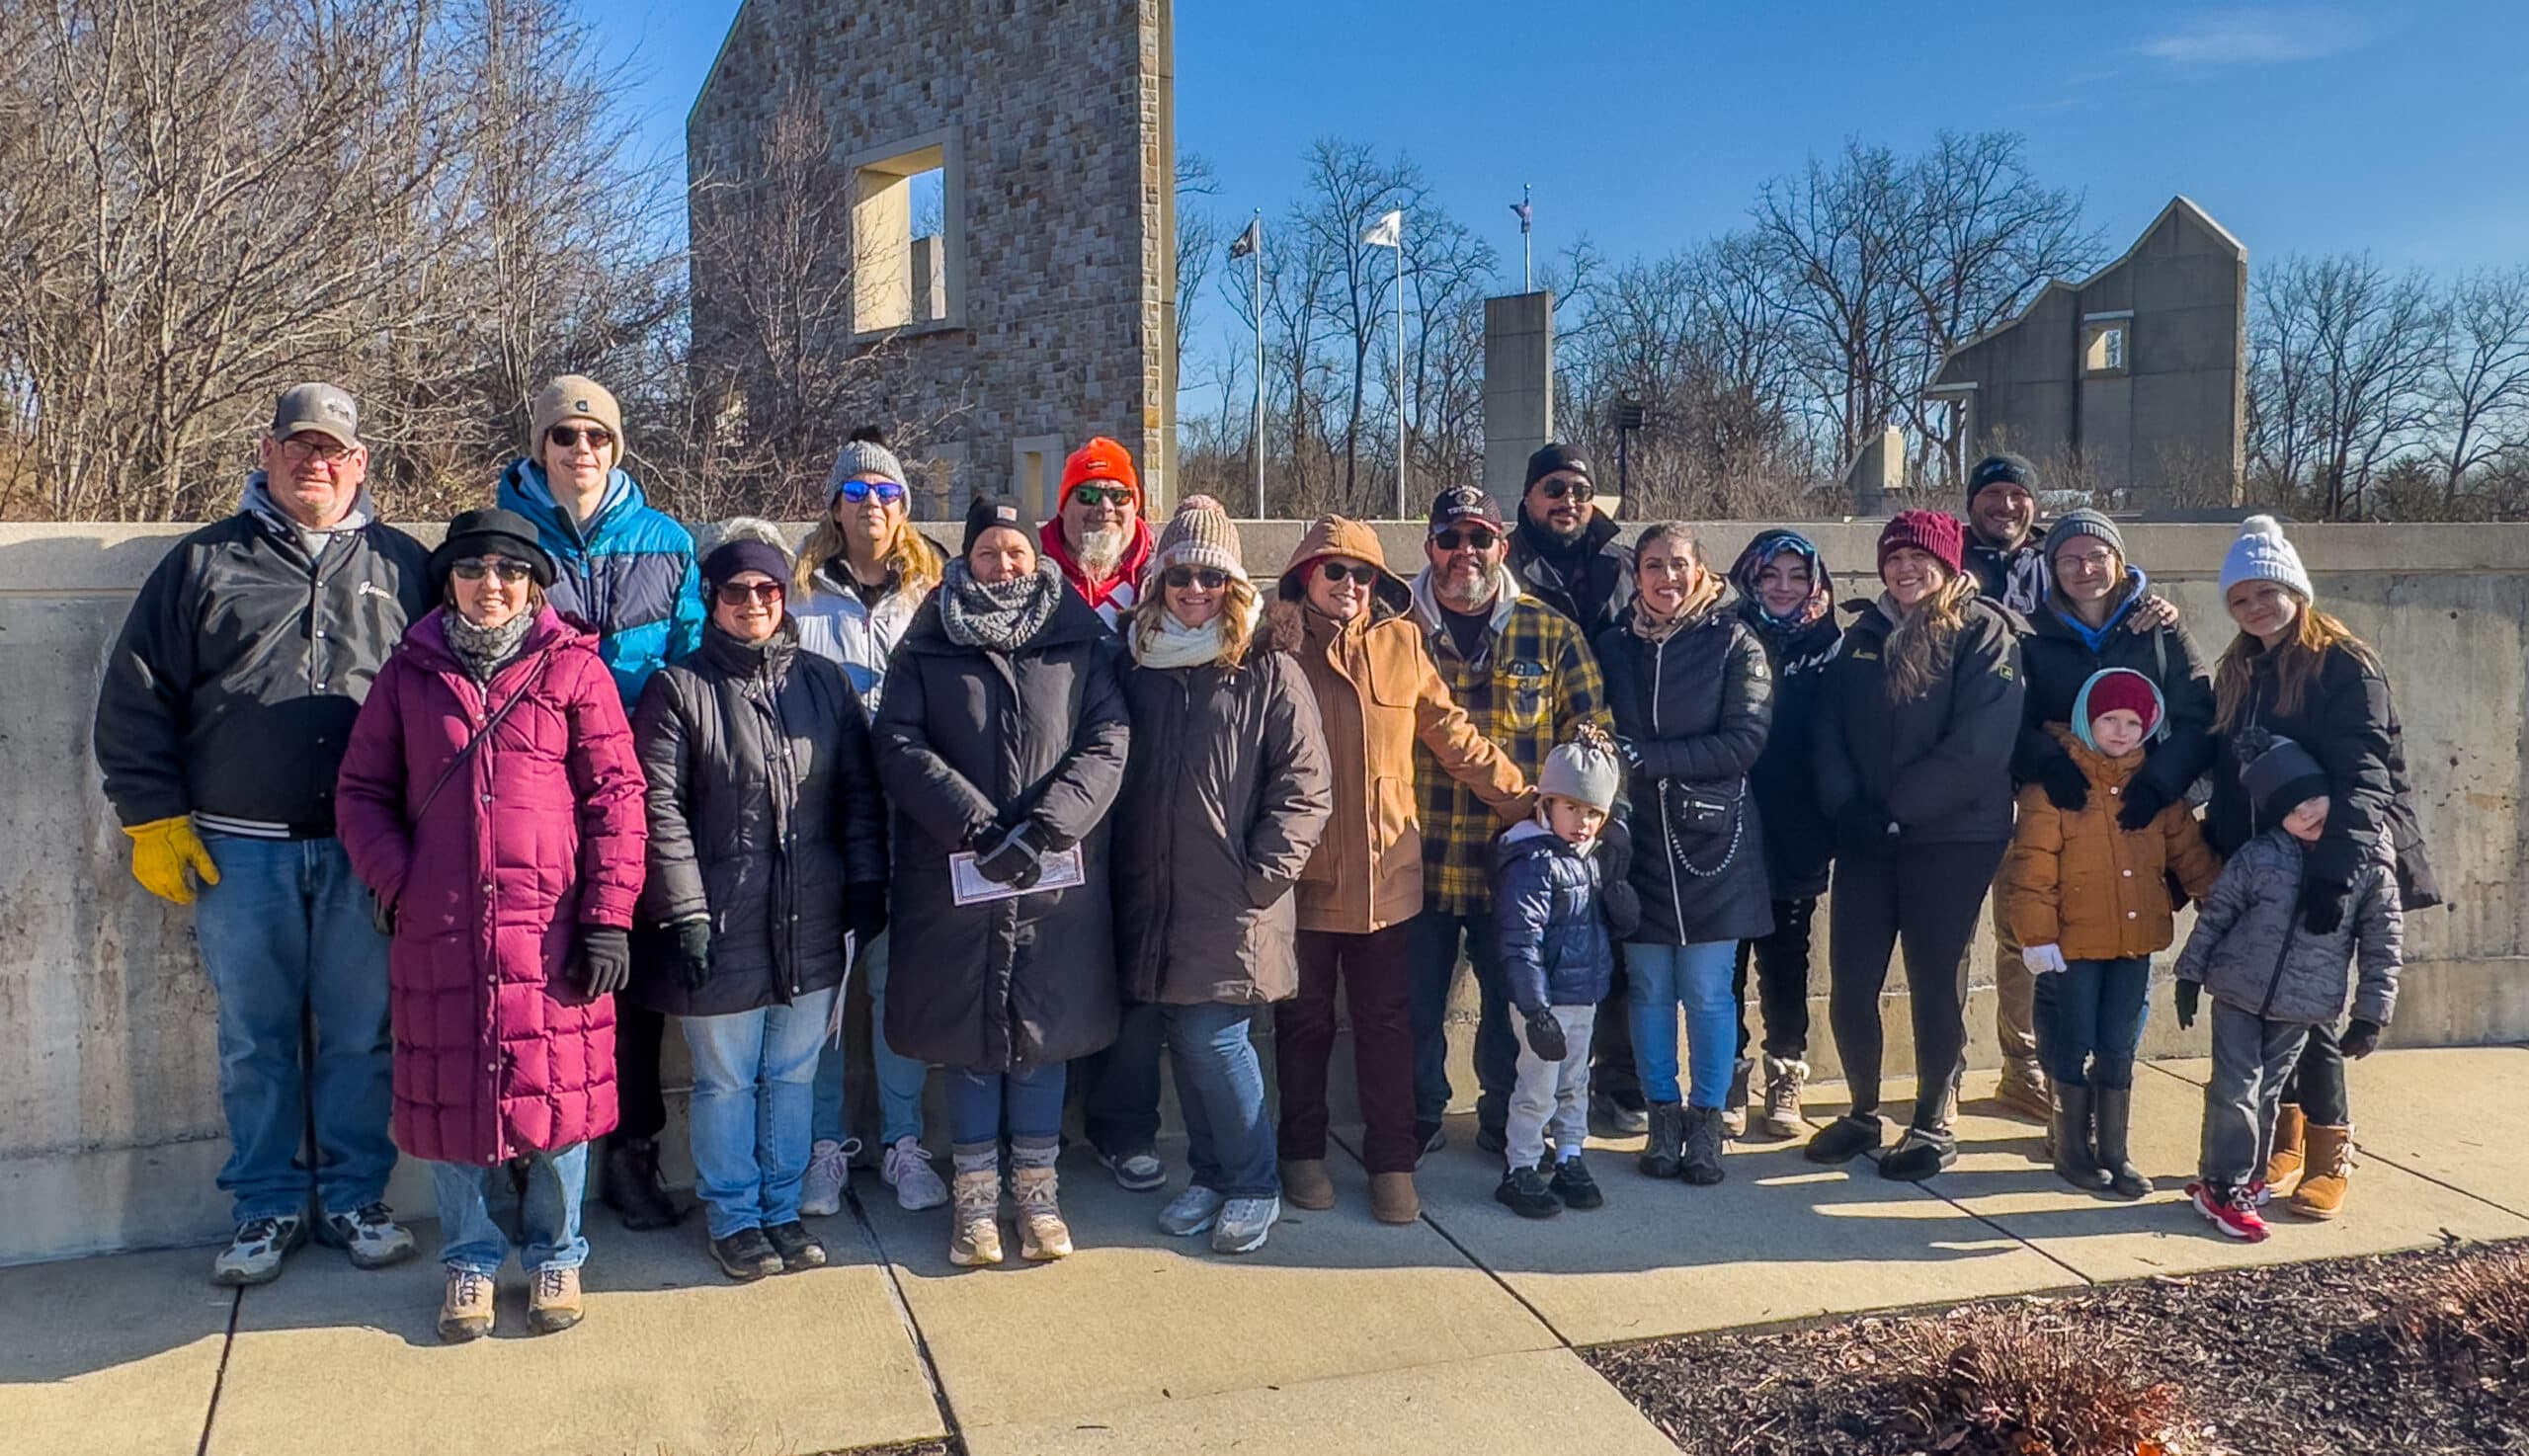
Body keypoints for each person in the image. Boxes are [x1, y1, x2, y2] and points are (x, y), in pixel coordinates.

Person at [94, 382, 430, 1286]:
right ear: (267, 451)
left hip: (367, 849)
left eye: (333, 450)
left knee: (362, 1033)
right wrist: (152, 816)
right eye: (299, 446)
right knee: (256, 1038)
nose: (315, 463)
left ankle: (358, 1195)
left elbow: (448, 701)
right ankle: (265, 1208)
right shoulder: (204, 563)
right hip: (239, 852)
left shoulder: (404, 566)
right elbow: (135, 699)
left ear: (361, 463)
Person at [335, 509, 647, 1340]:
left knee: (558, 1099)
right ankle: (469, 1263)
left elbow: (617, 798)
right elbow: (360, 793)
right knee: (450, 1096)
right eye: (474, 571)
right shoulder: (409, 676)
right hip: (443, 927)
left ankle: (557, 1252)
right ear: (450, 582)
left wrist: (610, 916)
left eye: (509, 572)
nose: (491, 587)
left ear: (534, 584)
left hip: (550, 928)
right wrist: (401, 881)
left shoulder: (575, 671)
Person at [874, 496, 1129, 1265]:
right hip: (960, 873)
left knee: (1042, 1039)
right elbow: (898, 741)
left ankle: (1038, 1192)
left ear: (1039, 558)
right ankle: (975, 1200)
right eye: (989, 551)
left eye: (1017, 551)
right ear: (966, 560)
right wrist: (978, 829)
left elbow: (1108, 739)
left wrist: (1048, 827)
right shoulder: (927, 644)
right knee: (972, 1041)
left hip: (1055, 877)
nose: (1005, 564)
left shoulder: (1080, 644)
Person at [632, 534, 888, 1281]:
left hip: (812, 918)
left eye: (768, 591)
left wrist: (866, 885)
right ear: (712, 599)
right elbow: (661, 811)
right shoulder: (678, 689)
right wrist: (683, 913)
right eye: (737, 591)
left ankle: (782, 1208)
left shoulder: (824, 684)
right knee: (725, 1080)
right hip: (720, 922)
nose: (754, 604)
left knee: (793, 1075)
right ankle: (735, 1217)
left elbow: (857, 799)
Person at [1266, 517, 1531, 1225]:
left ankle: (1390, 1162)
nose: (1349, 586)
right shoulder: (1274, 646)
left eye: (1363, 575)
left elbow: (1457, 739)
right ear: (1304, 575)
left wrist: (1526, 804)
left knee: (1390, 1026)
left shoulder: (1402, 643)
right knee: (1304, 1025)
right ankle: (1301, 1153)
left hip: (1389, 880)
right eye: (1334, 571)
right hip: (1305, 878)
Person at [496, 374, 704, 1233]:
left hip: (637, 791)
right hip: (535, 793)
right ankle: (523, 1156)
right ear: (538, 447)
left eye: (596, 438)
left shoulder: (665, 540)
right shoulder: (505, 539)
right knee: (530, 981)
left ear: (618, 449)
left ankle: (633, 1153)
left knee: (636, 986)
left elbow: (692, 662)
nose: (579, 452)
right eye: (563, 437)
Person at [1112, 498, 1333, 1255]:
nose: (1194, 588)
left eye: (1211, 575)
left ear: (1234, 584)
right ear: (1160, 580)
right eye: (1180, 574)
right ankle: (1209, 1173)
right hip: (1157, 893)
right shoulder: (1138, 661)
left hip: (1234, 896)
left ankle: (1251, 1183)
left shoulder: (1265, 666)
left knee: (1215, 1040)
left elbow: (1306, 786)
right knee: (1184, 1036)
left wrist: (1261, 880)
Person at [2202, 515, 2438, 1221]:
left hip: (2338, 857)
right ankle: (2284, 1139)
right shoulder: (2240, 668)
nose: (2254, 608)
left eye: (2265, 591)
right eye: (2239, 599)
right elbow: (2227, 768)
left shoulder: (2344, 663)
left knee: (2315, 1020)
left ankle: (2331, 1156)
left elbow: (2368, 778)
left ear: (2294, 589)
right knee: (2275, 1004)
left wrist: (2336, 876)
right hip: (2269, 862)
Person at [1806, 510, 2026, 1181]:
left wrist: (1898, 810)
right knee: (1852, 981)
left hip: (1953, 837)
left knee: (1935, 981)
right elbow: (1828, 729)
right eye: (1896, 557)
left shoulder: (1985, 631)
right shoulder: (1862, 635)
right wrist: (1848, 807)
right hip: (1867, 836)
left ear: (1949, 565)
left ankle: (1932, 1120)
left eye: (1921, 558)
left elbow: (1980, 746)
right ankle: (1863, 1110)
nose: (1907, 569)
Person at [1960, 461, 2179, 1124]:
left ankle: (2041, 1069)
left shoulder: (2070, 571)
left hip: (2085, 799)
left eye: (2017, 494)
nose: (2005, 505)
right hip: (1997, 781)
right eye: (1991, 494)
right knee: (2005, 930)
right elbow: (1998, 705)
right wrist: (2040, 758)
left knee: (2057, 931)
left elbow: (2187, 706)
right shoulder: (1951, 561)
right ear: (1971, 504)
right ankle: (2012, 1065)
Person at [1404, 485, 1607, 1160]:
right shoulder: (1393, 626)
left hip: (1517, 865)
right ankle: (1420, 1112)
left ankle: (1503, 1116)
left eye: (1479, 538)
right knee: (1412, 1004)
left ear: (1503, 545)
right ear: (1429, 545)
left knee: (1512, 1007)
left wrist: (1576, 829)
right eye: (1449, 538)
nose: (1465, 552)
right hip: (1414, 854)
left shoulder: (1552, 632)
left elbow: (1593, 738)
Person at [788, 429, 951, 1217]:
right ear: (835, 507)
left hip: (909, 823)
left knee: (897, 993)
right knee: (827, 996)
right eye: (857, 493)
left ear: (906, 510)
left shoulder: (934, 597)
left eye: (887, 494)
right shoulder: (797, 596)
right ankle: (823, 1148)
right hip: (822, 823)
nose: (873, 506)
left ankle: (902, 1143)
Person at [1594, 524, 1775, 1186]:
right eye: (1651, 566)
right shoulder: (1613, 646)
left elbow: (1745, 739)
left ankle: (1707, 1122)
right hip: (1636, 844)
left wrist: (1652, 759)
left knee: (1706, 992)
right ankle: (1661, 1116)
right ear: (1636, 575)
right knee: (1647, 989)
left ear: (1701, 572)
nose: (1665, 578)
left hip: (1712, 844)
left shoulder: (1734, 642)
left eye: (1677, 565)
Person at [1998, 668, 2221, 1199]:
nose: (2121, 732)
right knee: (2072, 1040)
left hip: (2134, 942)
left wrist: (2222, 907)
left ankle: (2115, 1150)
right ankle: (2072, 1147)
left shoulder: (2155, 790)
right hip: (2071, 945)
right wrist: (2035, 936)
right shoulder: (2053, 788)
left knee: (2119, 1043)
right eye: (2109, 720)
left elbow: (2189, 854)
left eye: (2132, 723)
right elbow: (2031, 868)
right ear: (2086, 720)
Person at [2176, 737, 2402, 1244]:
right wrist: (2190, 974)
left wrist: (2371, 1014)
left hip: (2303, 1005)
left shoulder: (2366, 862)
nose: (2306, 814)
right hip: (2236, 990)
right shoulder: (2260, 856)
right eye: (2291, 809)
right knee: (2235, 1088)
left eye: (2311, 800)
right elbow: (2217, 916)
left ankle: (2243, 1178)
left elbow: (2383, 943)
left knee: (2267, 1093)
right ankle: (2227, 1184)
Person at [1505, 444, 1645, 1134]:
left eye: (1580, 490)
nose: (1568, 501)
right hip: (1535, 783)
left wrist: (1612, 800)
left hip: (1610, 768)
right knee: (1533, 945)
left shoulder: (1621, 566)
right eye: (1554, 488)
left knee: (1606, 935)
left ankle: (1615, 1085)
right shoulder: (1502, 563)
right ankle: (1520, 1097)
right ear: (1529, 497)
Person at [1725, 529, 1841, 1140]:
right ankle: (1729, 1076)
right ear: (1751, 576)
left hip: (1798, 826)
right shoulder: (1724, 632)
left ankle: (1786, 1072)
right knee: (1727, 966)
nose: (1784, 588)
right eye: (1772, 575)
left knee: (1787, 959)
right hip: (1728, 823)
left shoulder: (1832, 645)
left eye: (1798, 576)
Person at [1492, 728, 1632, 1218]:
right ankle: (1521, 1167)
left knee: (1575, 1085)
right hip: (1546, 1002)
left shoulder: (1592, 861)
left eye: (1593, 812)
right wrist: (1535, 1009)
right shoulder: (1532, 861)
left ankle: (1571, 1155)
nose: (1582, 821)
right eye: (1571, 808)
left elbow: (1600, 926)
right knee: (1536, 1088)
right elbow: (1519, 940)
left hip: (1584, 995)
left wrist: (1620, 899)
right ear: (1546, 803)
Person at [1038, 436, 1153, 630]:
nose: (1106, 507)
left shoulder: (1165, 574)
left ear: (1135, 506)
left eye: (1119, 496)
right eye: (1088, 495)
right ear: (1063, 508)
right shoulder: (1030, 570)